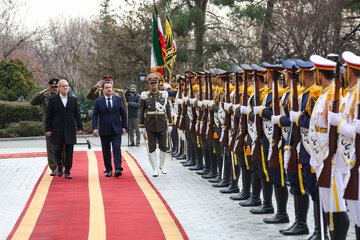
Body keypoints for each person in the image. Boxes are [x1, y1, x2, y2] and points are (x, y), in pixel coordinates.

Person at [45, 79, 83, 179]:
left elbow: (77, 114)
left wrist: (80, 127)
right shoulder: (53, 100)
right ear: (59, 88)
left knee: (69, 151)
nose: (65, 88)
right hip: (57, 129)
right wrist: (48, 129)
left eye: (67, 86)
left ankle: (68, 171)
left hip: (70, 129)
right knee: (57, 149)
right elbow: (48, 116)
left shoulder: (73, 99)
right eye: (63, 86)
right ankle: (60, 166)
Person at [139, 73, 173, 177]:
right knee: (151, 147)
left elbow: (168, 110)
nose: (153, 84)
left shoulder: (163, 95)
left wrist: (171, 123)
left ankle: (162, 165)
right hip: (150, 124)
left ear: (158, 83)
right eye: (151, 83)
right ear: (149, 84)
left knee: (163, 146)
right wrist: (141, 125)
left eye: (155, 83)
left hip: (162, 124)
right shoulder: (146, 96)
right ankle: (154, 169)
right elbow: (141, 111)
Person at [92, 81, 127, 177]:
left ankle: (118, 168)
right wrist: (94, 128)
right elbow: (94, 115)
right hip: (104, 129)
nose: (109, 89)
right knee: (106, 150)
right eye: (106, 88)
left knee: (116, 148)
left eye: (110, 87)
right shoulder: (98, 101)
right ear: (103, 90)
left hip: (116, 128)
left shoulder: (118, 99)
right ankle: (108, 169)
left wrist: (124, 126)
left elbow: (123, 113)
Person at [30, 78, 60, 176]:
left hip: (60, 125)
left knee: (61, 147)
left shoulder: (62, 96)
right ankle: (53, 167)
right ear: (49, 87)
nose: (54, 89)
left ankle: (61, 166)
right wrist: (40, 93)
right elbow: (32, 102)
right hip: (49, 126)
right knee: (50, 147)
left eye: (56, 87)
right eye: (52, 87)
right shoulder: (45, 97)